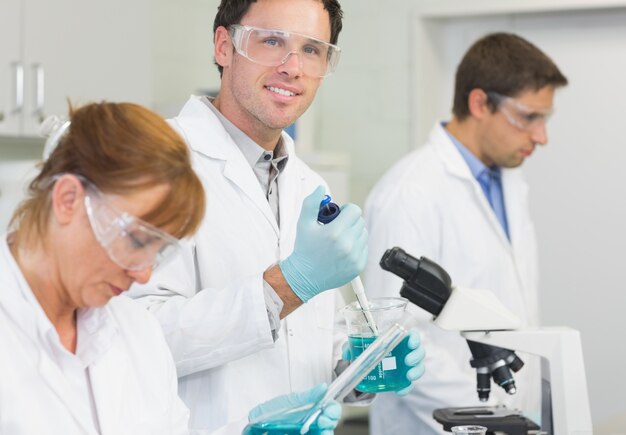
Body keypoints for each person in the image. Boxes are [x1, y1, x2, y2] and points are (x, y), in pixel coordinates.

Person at [129, 0, 425, 433]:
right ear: (223, 46)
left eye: (312, 50)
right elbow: (134, 339)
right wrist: (289, 284)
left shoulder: (310, 185)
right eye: (272, 41)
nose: (293, 67)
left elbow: (301, 344)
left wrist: (351, 369)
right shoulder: (155, 163)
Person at [0, 102, 342, 435]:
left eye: (159, 254)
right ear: (68, 200)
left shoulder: (134, 330)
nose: (144, 275)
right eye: (136, 241)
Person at [363, 32, 568, 434]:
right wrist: (490, 418)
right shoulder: (409, 193)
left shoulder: (508, 183)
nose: (541, 137)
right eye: (529, 117)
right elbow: (392, 341)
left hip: (506, 418)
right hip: (441, 423)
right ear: (479, 103)